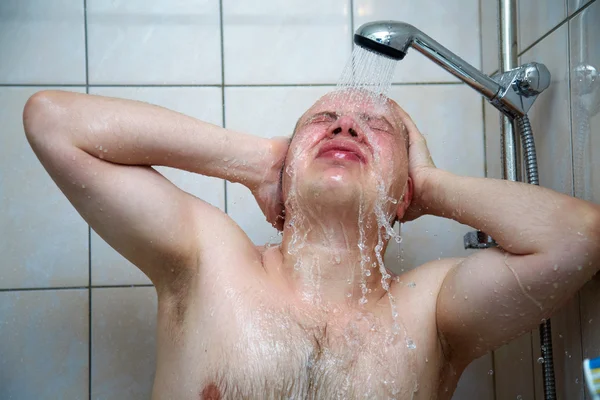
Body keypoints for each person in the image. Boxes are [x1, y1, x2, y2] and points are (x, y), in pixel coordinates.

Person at [23, 89, 600, 399]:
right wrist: (258, 162)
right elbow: (53, 121)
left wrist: (432, 187)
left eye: (375, 127)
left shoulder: (433, 308)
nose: (345, 127)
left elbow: (580, 237)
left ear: (405, 192)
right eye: (321, 120)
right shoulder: (208, 260)